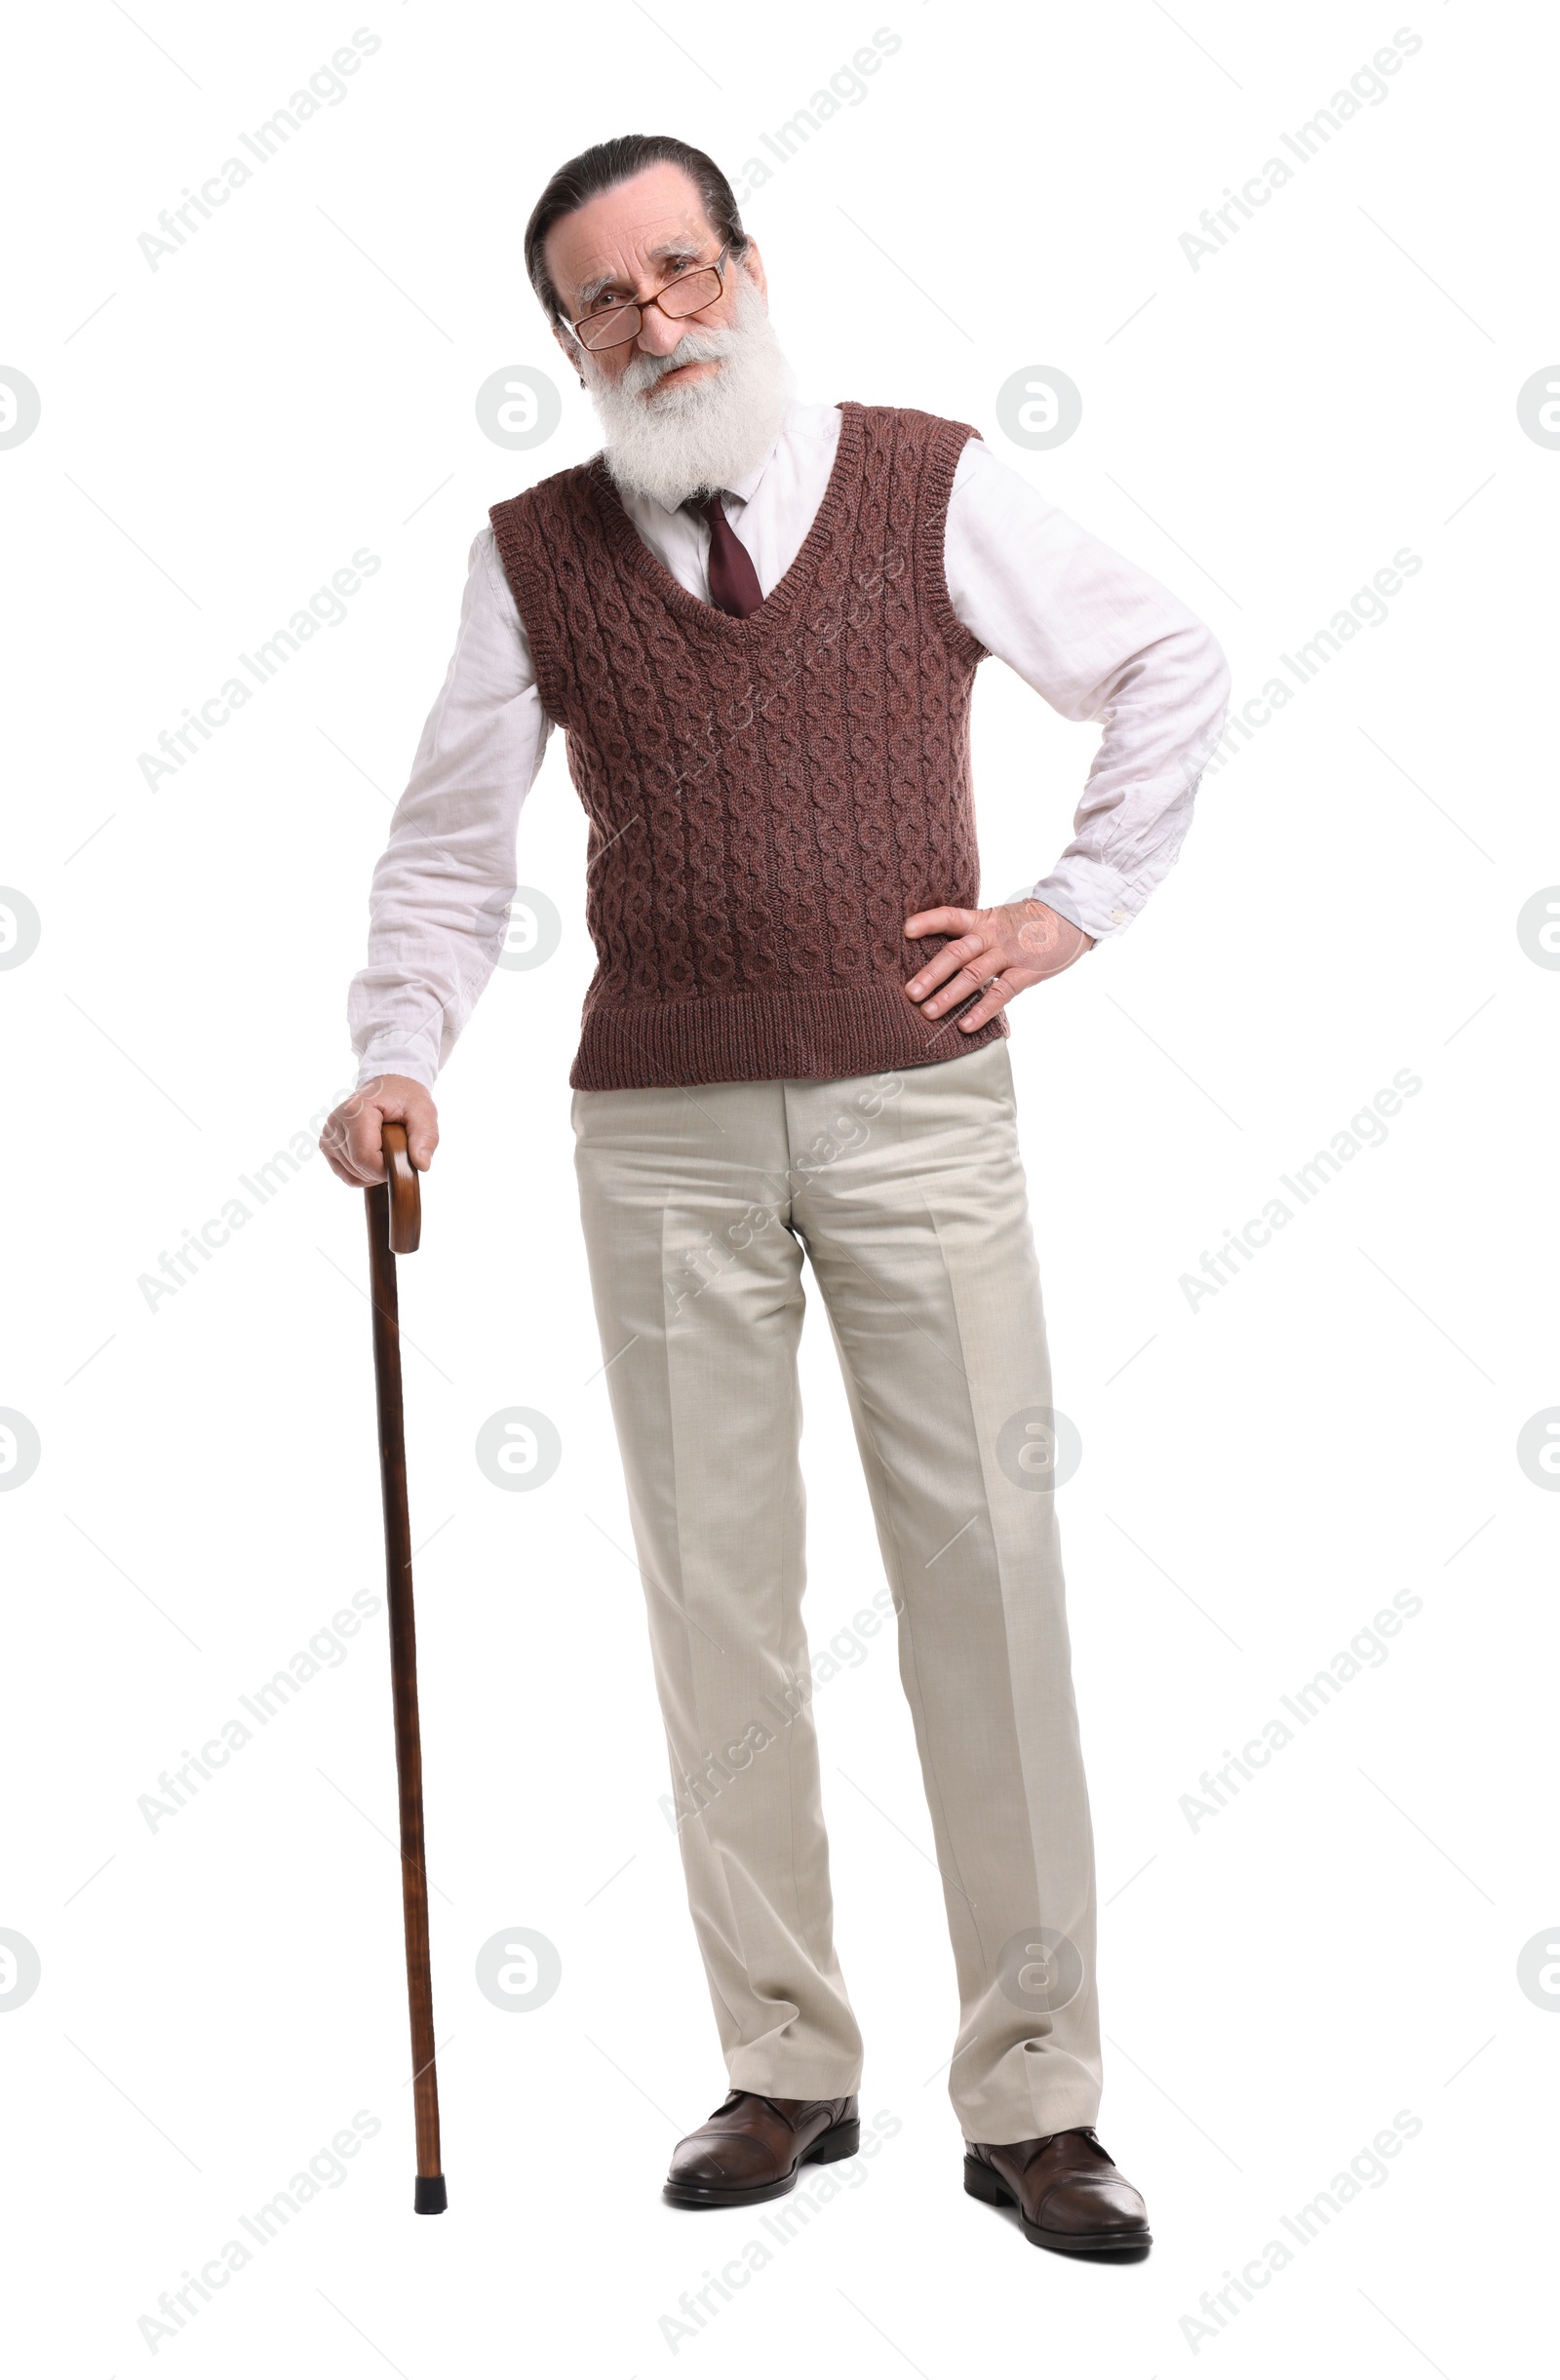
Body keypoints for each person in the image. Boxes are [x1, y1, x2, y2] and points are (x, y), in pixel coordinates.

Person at [322, 133, 1228, 2258]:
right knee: (712, 1598)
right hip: (658, 1128)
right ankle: (783, 2064)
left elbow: (1165, 661)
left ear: (747, 266)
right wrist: (392, 1052)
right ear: (564, 341)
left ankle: (1035, 2099)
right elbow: (451, 849)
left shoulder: (929, 481)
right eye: (601, 303)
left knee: (981, 1582)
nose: (653, 324)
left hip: (918, 1106)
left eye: (677, 270)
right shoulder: (529, 557)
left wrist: (1070, 907)